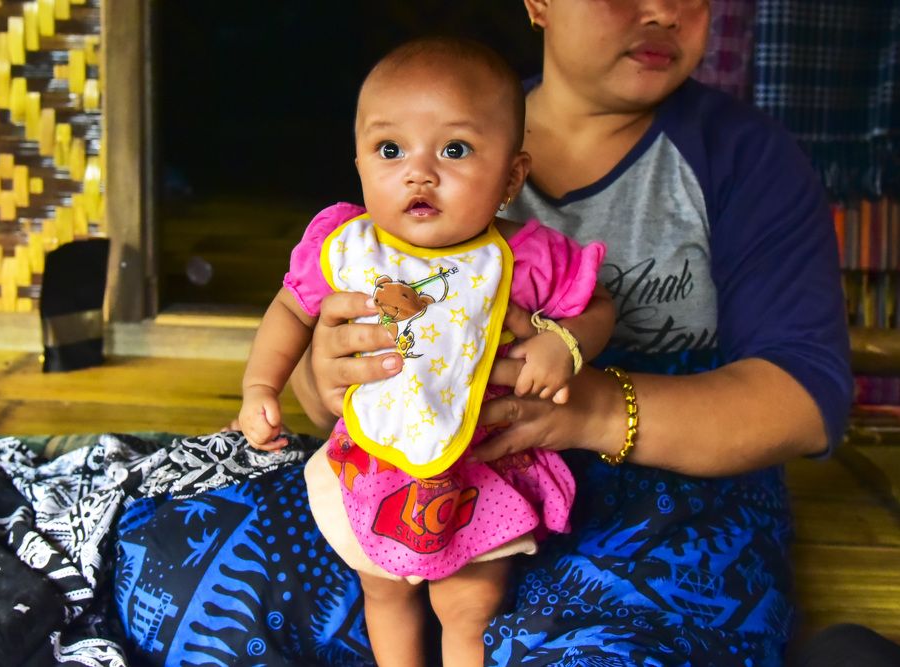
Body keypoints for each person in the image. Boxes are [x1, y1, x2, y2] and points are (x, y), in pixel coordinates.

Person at [288, 0, 853, 664]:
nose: (665, 11)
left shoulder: (742, 157)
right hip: (426, 475)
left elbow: (806, 399)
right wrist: (323, 371)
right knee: (206, 579)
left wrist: (596, 407)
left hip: (663, 496)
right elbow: (319, 334)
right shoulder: (434, 115)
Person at [236, 37, 614, 667]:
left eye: (455, 150)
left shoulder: (524, 258)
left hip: (481, 464)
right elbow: (290, 310)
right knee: (383, 595)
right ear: (359, 162)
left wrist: (566, 345)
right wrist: (259, 388)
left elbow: (599, 305)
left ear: (512, 177)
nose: (419, 172)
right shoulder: (346, 246)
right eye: (390, 150)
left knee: (466, 606)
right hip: (375, 460)